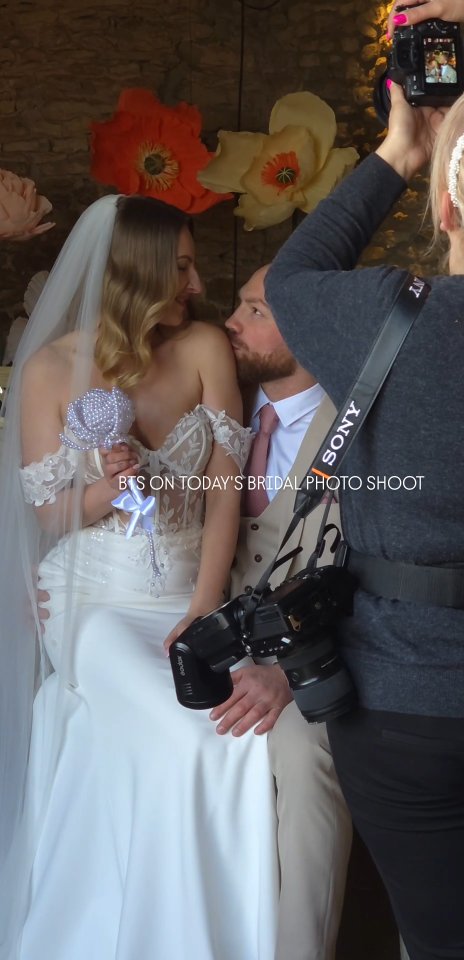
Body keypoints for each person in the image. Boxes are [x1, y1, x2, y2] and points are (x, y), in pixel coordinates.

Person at [263, 0, 464, 957]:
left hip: (410, 711)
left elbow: (290, 278)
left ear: (449, 210)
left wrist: (397, 151)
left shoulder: (384, 316)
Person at [0, 194, 279, 960]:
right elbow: (49, 514)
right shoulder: (53, 370)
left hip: (187, 590)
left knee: (244, 738)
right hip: (93, 599)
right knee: (194, 731)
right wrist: (104, 487)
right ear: (136, 272)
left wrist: (203, 608)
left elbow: (224, 495)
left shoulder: (201, 351)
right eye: (180, 266)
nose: (194, 285)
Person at [212, 265, 353, 960]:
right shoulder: (216, 406)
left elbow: (366, 572)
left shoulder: (358, 425)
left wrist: (285, 670)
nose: (233, 323)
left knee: (301, 756)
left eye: (255, 309)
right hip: (211, 639)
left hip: (315, 654)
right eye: (239, 305)